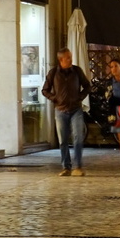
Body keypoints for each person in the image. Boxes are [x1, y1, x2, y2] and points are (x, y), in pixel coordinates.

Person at [41, 47, 91, 176]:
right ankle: (66, 167)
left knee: (78, 137)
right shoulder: (53, 73)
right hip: (60, 110)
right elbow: (45, 90)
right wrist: (54, 98)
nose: (70, 59)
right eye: (68, 57)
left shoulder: (77, 71)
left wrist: (80, 97)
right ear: (61, 60)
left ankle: (78, 166)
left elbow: (87, 86)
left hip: (76, 109)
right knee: (63, 140)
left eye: (71, 57)